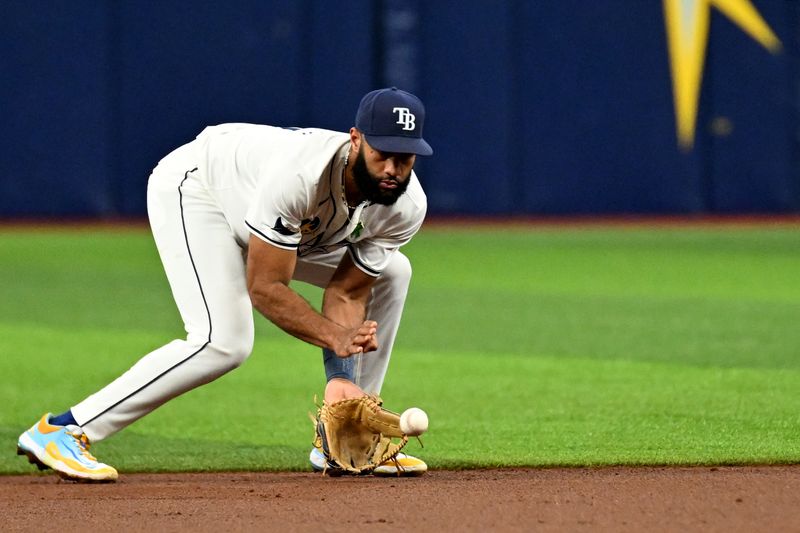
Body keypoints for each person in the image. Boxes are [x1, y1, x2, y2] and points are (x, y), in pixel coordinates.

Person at [16, 87, 433, 481]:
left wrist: (340, 378)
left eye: (406, 159)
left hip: (289, 225)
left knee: (395, 272)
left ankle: (349, 437)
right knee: (223, 342)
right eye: (383, 155)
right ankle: (63, 429)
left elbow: (347, 290)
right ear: (356, 140)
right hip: (203, 192)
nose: (393, 170)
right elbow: (266, 286)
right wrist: (333, 336)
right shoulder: (301, 175)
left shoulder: (406, 206)